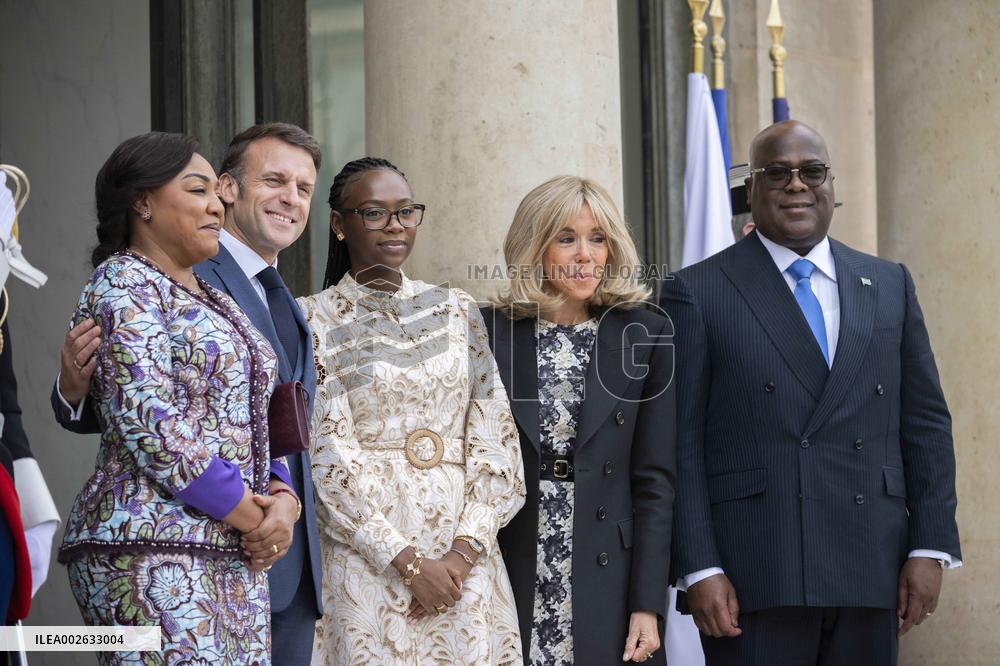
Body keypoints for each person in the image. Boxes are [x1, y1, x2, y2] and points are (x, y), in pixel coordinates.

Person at [661, 120, 961, 666]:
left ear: (831, 186)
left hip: (871, 563)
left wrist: (929, 546)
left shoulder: (889, 282)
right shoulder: (697, 291)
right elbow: (680, 442)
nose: (796, 184)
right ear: (750, 191)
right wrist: (700, 566)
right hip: (755, 570)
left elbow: (926, 425)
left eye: (812, 171)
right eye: (776, 172)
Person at [53, 123, 324, 665]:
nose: (216, 208)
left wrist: (282, 498)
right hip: (155, 545)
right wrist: (251, 515)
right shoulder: (124, 281)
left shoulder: (211, 298)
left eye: (304, 188)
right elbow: (150, 420)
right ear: (144, 203)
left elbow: (265, 409)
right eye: (197, 191)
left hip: (236, 554)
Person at [299, 157, 525, 664]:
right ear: (339, 224)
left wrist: (462, 555)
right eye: (375, 213)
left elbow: (495, 436)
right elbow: (325, 457)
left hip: (463, 557)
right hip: (367, 560)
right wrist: (406, 562)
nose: (396, 225)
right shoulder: (310, 318)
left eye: (406, 212)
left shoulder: (457, 309)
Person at [483, 175, 676, 665]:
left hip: (609, 576)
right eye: (566, 238)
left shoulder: (645, 334)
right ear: (535, 248)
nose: (585, 254)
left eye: (598, 239)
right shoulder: (487, 332)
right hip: (509, 567)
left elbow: (655, 481)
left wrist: (648, 604)